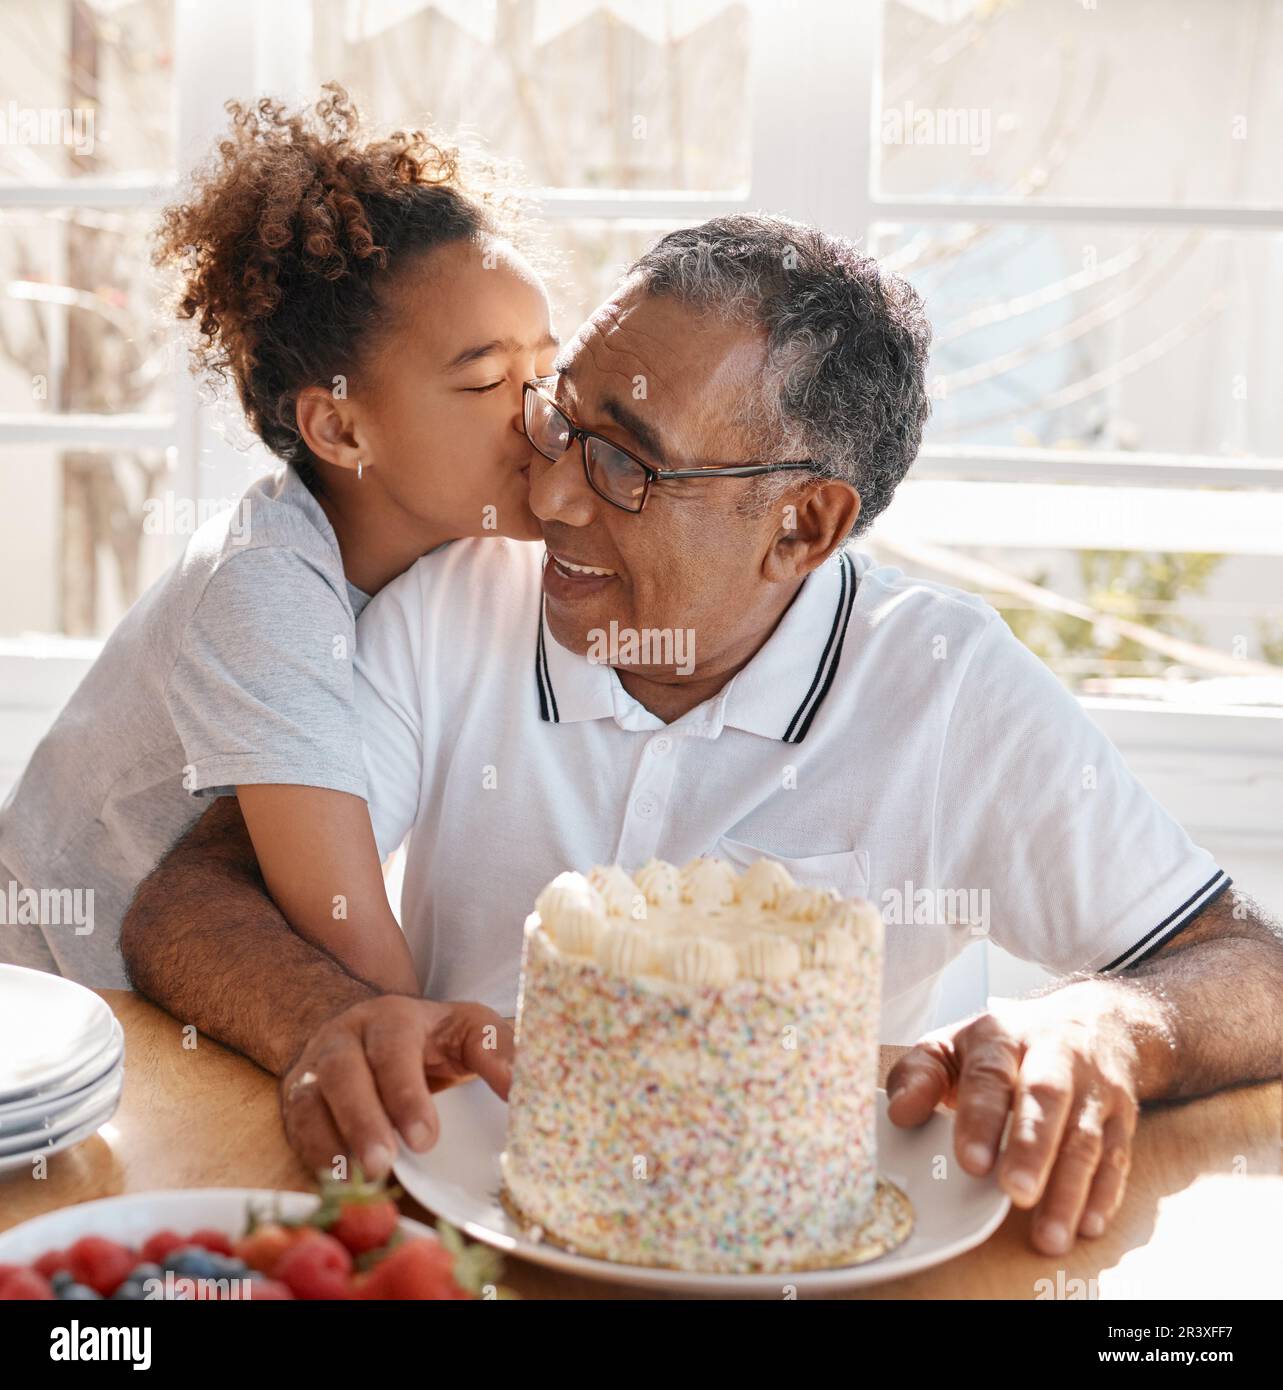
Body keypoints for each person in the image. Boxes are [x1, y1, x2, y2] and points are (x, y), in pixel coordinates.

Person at [121, 214, 1283, 1257]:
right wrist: (321, 1013)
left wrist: (1113, 1022)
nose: (555, 497)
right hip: (466, 1238)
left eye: (625, 461)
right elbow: (189, 896)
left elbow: (1250, 970)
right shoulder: (456, 603)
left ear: (800, 523)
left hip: (811, 1268)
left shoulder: (946, 687)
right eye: (560, 420)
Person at [0, 86, 557, 991]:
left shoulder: (464, 554)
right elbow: (349, 949)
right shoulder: (265, 589)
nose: (543, 416)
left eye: (546, 368)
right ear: (340, 431)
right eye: (487, 382)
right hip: (58, 1026)